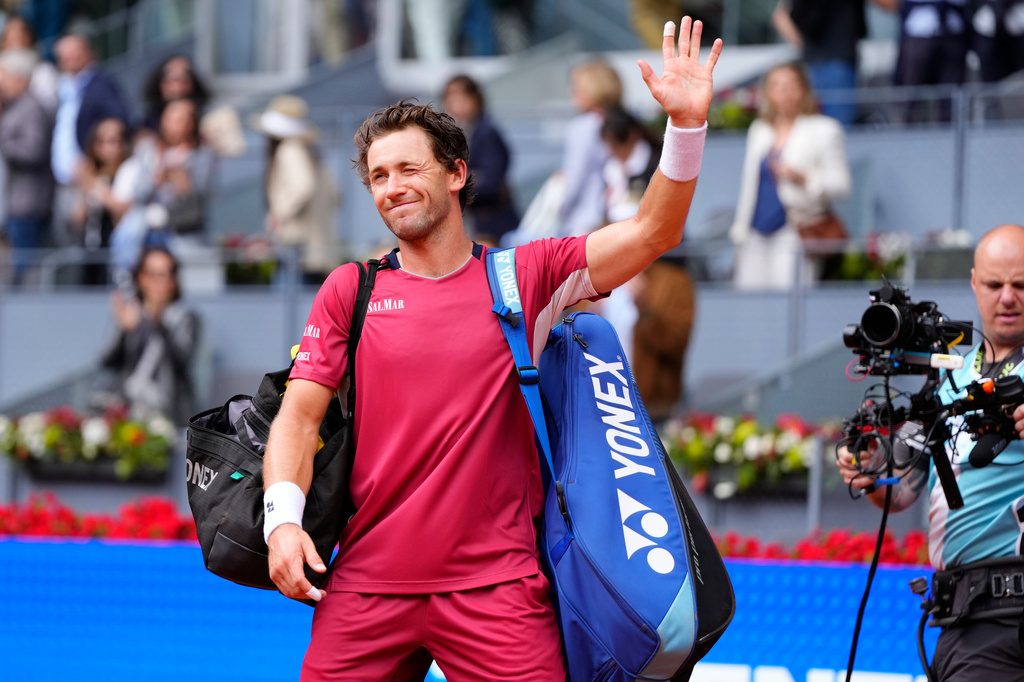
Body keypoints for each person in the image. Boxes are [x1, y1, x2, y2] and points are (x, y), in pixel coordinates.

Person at [262, 16, 721, 680]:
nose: (392, 187)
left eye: (408, 168)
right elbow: (299, 419)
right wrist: (282, 520)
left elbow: (653, 232)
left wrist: (685, 128)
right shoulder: (350, 290)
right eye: (379, 175)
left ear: (456, 173)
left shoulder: (526, 276)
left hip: (498, 591)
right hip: (365, 583)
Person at [838, 223, 1024, 681]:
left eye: (1021, 285)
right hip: (956, 619)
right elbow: (900, 493)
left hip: (1008, 617)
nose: (1007, 297)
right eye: (995, 284)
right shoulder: (949, 375)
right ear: (973, 283)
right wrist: (870, 472)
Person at [729, 62, 851, 291]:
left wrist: (803, 177)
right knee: (750, 307)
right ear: (767, 92)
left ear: (804, 89)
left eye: (791, 85)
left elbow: (842, 186)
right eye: (777, 86)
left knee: (789, 307)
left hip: (794, 229)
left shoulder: (825, 129)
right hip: (755, 233)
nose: (784, 92)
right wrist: (740, 231)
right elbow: (749, 186)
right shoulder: (759, 130)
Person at [109, 98, 216, 279]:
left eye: (182, 119)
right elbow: (139, 193)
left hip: (183, 233)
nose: (175, 125)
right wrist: (157, 178)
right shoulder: (148, 149)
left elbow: (200, 196)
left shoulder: (203, 154)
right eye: (171, 118)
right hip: (147, 233)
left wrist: (180, 177)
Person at [99, 245, 200, 426]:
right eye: (156, 275)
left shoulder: (186, 318)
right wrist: (125, 331)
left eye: (169, 274)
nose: (164, 282)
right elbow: (107, 362)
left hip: (169, 412)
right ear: (141, 278)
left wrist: (157, 323)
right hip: (128, 407)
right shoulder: (130, 313)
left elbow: (183, 362)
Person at [50, 33, 131, 247]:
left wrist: (92, 166)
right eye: (65, 55)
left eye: (76, 53)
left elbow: (117, 122)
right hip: (66, 180)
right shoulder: (66, 86)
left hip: (91, 177)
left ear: (89, 53)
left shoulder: (101, 84)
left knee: (93, 242)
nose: (70, 59)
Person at [251, 95, 341, 285]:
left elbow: (303, 186)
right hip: (317, 249)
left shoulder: (289, 149)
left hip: (296, 246)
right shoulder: (311, 153)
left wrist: (279, 213)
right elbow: (335, 196)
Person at [772, 0, 886, 127]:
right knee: (837, 130)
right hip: (837, 63)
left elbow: (783, 16)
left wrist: (808, 48)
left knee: (815, 129)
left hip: (818, 61)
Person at [442, 74, 519, 246]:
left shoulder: (486, 131)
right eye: (449, 96)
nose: (454, 102)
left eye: (460, 95)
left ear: (475, 98)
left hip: (495, 223)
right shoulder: (463, 132)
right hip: (476, 221)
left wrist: (454, 183)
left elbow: (491, 181)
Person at [0, 48, 54, 288]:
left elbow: (34, 151)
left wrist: (4, 142)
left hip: (28, 202)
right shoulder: (15, 105)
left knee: (25, 266)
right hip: (16, 200)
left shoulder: (31, 107)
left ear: (19, 77)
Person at [559, 59, 623, 237]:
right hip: (619, 218)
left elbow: (575, 179)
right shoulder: (623, 122)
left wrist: (559, 205)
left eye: (577, 87)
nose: (571, 92)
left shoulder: (583, 127)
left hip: (586, 222)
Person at [71, 117, 132, 286]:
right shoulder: (90, 174)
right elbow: (77, 219)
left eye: (113, 141)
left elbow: (124, 209)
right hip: (91, 248)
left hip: (118, 252)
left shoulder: (129, 170)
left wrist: (94, 185)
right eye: (101, 141)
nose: (107, 148)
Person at [138, 55, 210, 137]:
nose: (177, 86)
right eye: (171, 79)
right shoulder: (148, 126)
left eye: (184, 79)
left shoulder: (208, 125)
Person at [0, 15, 59, 115]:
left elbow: (49, 107)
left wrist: (22, 91)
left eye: (21, 35)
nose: (16, 38)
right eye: (11, 35)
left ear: (30, 38)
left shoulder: (43, 70)